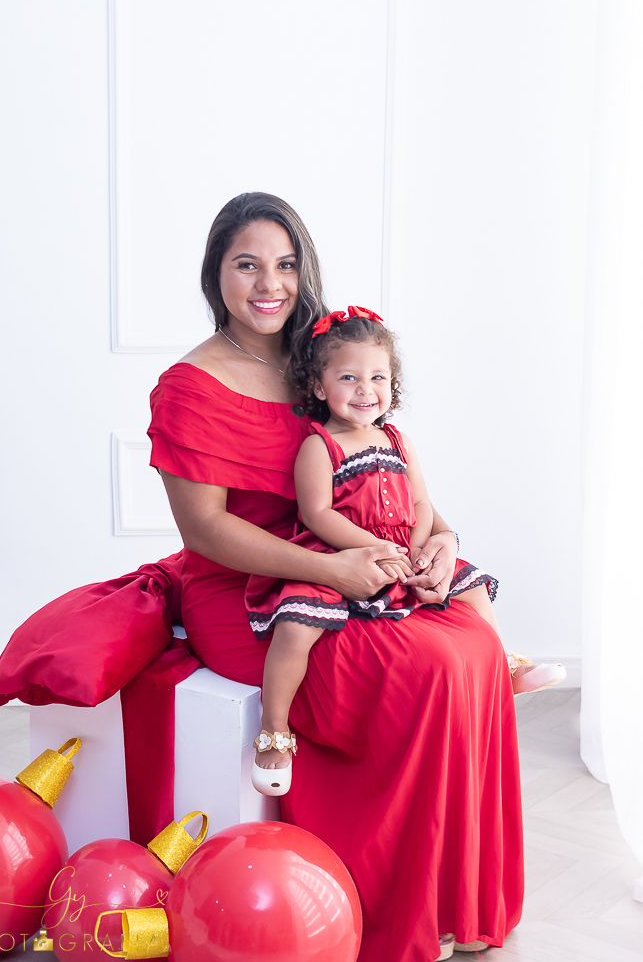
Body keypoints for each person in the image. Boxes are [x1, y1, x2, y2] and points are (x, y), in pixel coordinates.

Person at [149, 192, 524, 962]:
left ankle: (455, 898)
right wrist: (334, 568)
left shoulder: (318, 365)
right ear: (214, 272)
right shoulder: (188, 383)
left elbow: (397, 482)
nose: (268, 283)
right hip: (250, 586)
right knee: (420, 664)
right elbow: (205, 531)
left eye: (285, 264)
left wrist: (441, 544)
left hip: (353, 566)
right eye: (246, 264)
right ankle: (381, 905)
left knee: (470, 647)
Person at [246, 308, 566, 797]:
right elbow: (317, 515)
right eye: (348, 378)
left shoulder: (399, 440)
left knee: (472, 584)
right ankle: (274, 731)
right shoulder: (320, 446)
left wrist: (416, 546)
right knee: (296, 625)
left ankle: (504, 664)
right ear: (318, 386)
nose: (364, 390)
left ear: (392, 384)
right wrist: (371, 547)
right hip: (340, 553)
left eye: (377, 377)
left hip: (400, 549)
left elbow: (419, 502)